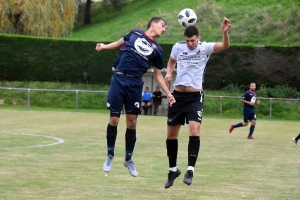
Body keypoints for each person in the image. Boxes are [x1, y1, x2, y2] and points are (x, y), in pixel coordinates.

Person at [95, 17, 176, 177]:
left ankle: (128, 159)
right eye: (163, 25)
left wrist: (168, 92)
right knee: (114, 119)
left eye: (165, 27)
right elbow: (119, 43)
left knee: (131, 123)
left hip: (135, 84)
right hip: (119, 78)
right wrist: (104, 46)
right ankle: (110, 155)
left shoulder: (157, 50)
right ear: (153, 23)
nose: (164, 29)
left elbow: (158, 75)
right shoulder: (135, 33)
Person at [163, 17, 231, 188]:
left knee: (194, 129)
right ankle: (173, 170)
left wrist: (225, 33)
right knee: (171, 135)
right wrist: (169, 73)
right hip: (177, 96)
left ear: (198, 38)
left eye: (192, 41)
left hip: (195, 97)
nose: (190, 44)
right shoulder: (178, 47)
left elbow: (225, 46)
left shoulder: (204, 48)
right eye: (188, 41)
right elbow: (171, 61)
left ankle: (190, 169)